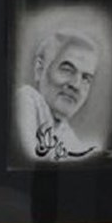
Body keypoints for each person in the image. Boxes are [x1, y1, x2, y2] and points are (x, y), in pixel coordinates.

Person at [15, 27, 103, 162]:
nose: (76, 85)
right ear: (39, 69)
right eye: (67, 70)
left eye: (86, 78)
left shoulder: (69, 137)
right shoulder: (23, 102)